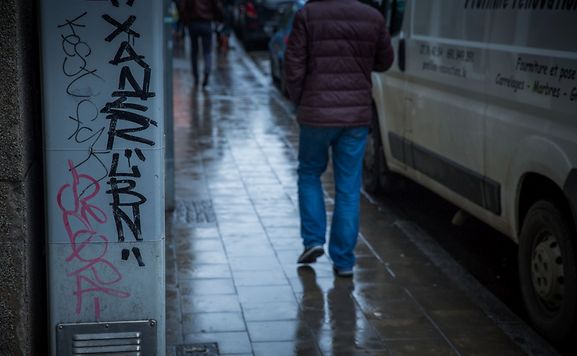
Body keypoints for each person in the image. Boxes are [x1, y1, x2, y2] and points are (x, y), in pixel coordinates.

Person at [284, 0, 394, 277]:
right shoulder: (372, 16)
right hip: (355, 116)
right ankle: (343, 261)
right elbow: (385, 60)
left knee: (309, 173)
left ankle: (313, 240)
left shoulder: (307, 15)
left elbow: (293, 65)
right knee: (347, 188)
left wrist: (300, 101)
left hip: (316, 114)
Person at [178, 0, 223, 87]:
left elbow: (183, 6)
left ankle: (196, 76)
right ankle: (207, 71)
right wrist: (218, 18)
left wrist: (185, 20)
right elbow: (216, 5)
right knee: (207, 51)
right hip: (206, 23)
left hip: (193, 23)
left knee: (194, 52)